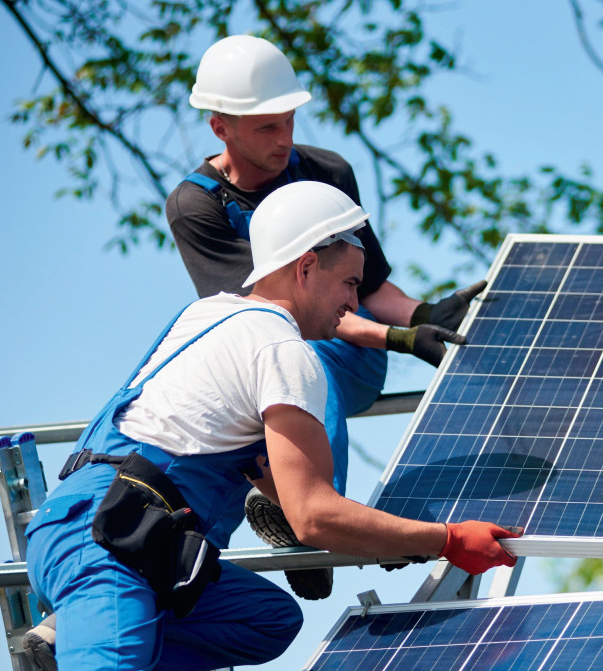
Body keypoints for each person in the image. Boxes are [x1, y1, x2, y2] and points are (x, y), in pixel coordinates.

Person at [21, 181, 521, 671]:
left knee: (267, 620)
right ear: (306, 266)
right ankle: (96, 650)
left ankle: (80, 637)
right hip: (112, 542)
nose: (353, 305)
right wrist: (446, 539)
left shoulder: (207, 315)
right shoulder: (284, 352)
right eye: (350, 284)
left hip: (98, 524)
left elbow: (208, 446)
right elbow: (312, 516)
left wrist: (355, 525)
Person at [166, 34, 487, 600]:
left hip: (345, 361)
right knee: (286, 354)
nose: (284, 139)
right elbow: (276, 314)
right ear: (221, 127)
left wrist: (423, 317)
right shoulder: (197, 206)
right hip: (273, 356)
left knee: (303, 359)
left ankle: (308, 514)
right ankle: (308, 512)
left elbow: (369, 287)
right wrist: (400, 337)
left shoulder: (326, 172)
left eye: (289, 120)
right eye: (267, 126)